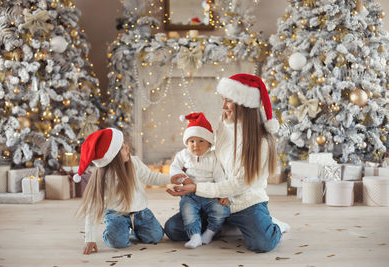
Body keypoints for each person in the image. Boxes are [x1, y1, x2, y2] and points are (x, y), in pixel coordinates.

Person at [166, 74, 290, 252]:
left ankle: (271, 224)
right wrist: (194, 169)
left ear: (244, 105)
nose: (223, 106)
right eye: (223, 100)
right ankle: (225, 223)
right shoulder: (224, 123)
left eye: (228, 101)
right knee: (173, 229)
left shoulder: (261, 142)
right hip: (217, 198)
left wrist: (196, 188)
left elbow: (238, 184)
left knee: (262, 243)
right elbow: (216, 155)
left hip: (245, 201)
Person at [74, 128, 186, 255]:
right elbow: (92, 209)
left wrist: (170, 178)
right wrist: (90, 238)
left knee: (156, 237)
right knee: (118, 242)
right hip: (117, 215)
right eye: (121, 147)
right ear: (112, 156)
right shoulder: (104, 178)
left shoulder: (134, 163)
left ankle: (134, 230)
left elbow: (151, 177)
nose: (127, 147)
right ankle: (113, 231)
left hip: (141, 212)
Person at [170, 112, 230, 249]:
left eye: (201, 141)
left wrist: (223, 194)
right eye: (192, 141)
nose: (195, 145)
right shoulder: (183, 155)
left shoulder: (213, 157)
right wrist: (184, 179)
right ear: (186, 143)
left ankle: (209, 233)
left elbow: (219, 176)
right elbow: (174, 169)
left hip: (210, 193)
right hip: (190, 195)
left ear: (209, 143)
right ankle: (195, 236)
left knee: (221, 210)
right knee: (187, 211)